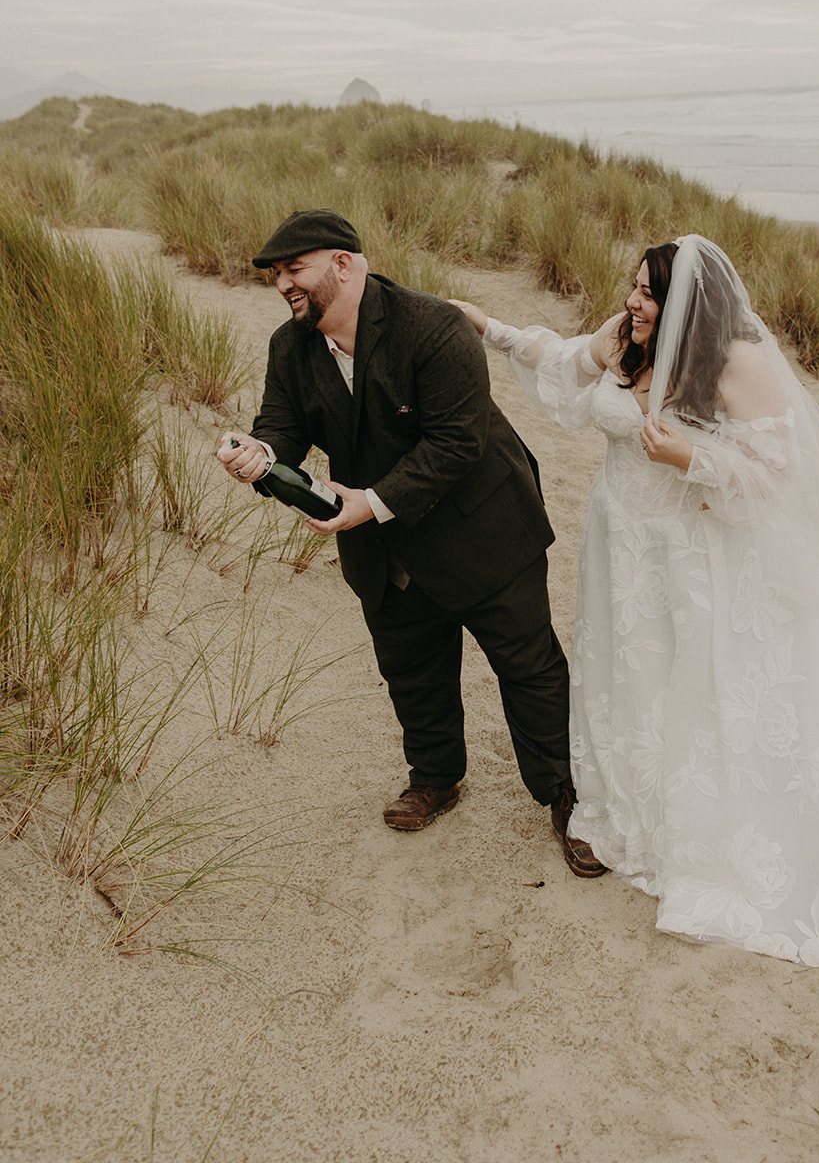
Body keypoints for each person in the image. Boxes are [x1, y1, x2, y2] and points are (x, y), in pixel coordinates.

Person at [453, 234, 819, 965]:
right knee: (637, 675)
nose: (630, 302)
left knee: (711, 687)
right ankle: (638, 801)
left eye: (648, 292)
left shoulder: (740, 363)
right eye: (632, 287)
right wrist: (486, 326)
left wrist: (690, 457)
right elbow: (557, 359)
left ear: (687, 305)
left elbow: (778, 476)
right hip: (623, 554)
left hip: (699, 557)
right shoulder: (626, 340)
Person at [217, 208, 606, 877]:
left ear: (343, 264)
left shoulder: (432, 325)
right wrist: (259, 455)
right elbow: (280, 425)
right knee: (411, 666)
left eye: (294, 269)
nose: (283, 283)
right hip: (383, 546)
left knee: (528, 666)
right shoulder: (292, 346)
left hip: (483, 526)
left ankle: (569, 795)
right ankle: (434, 777)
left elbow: (458, 442)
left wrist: (370, 501)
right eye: (276, 274)